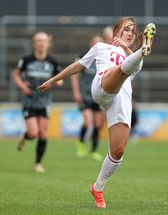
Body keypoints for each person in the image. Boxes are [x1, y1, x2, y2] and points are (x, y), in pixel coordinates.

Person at [38, 17, 156, 208]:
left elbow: (133, 63)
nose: (129, 33)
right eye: (126, 29)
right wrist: (52, 80)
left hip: (120, 101)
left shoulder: (134, 58)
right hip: (102, 86)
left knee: (118, 151)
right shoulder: (101, 47)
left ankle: (98, 187)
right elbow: (78, 66)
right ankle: (144, 49)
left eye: (133, 32)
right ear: (117, 31)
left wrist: (130, 51)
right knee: (118, 71)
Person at [12, 31, 63, 173]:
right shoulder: (26, 60)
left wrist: (58, 81)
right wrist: (22, 85)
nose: (41, 43)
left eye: (44, 41)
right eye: (39, 41)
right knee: (33, 133)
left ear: (48, 44)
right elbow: (15, 74)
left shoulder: (52, 61)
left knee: (43, 133)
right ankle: (25, 135)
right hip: (29, 100)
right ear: (34, 44)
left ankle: (38, 163)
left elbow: (60, 76)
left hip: (45, 101)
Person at [70, 35, 104, 161]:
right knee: (87, 122)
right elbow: (74, 75)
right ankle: (80, 144)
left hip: (99, 95)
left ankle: (94, 151)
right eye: (95, 43)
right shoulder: (84, 57)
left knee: (98, 124)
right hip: (85, 95)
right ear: (91, 44)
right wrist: (76, 92)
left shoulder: (104, 58)